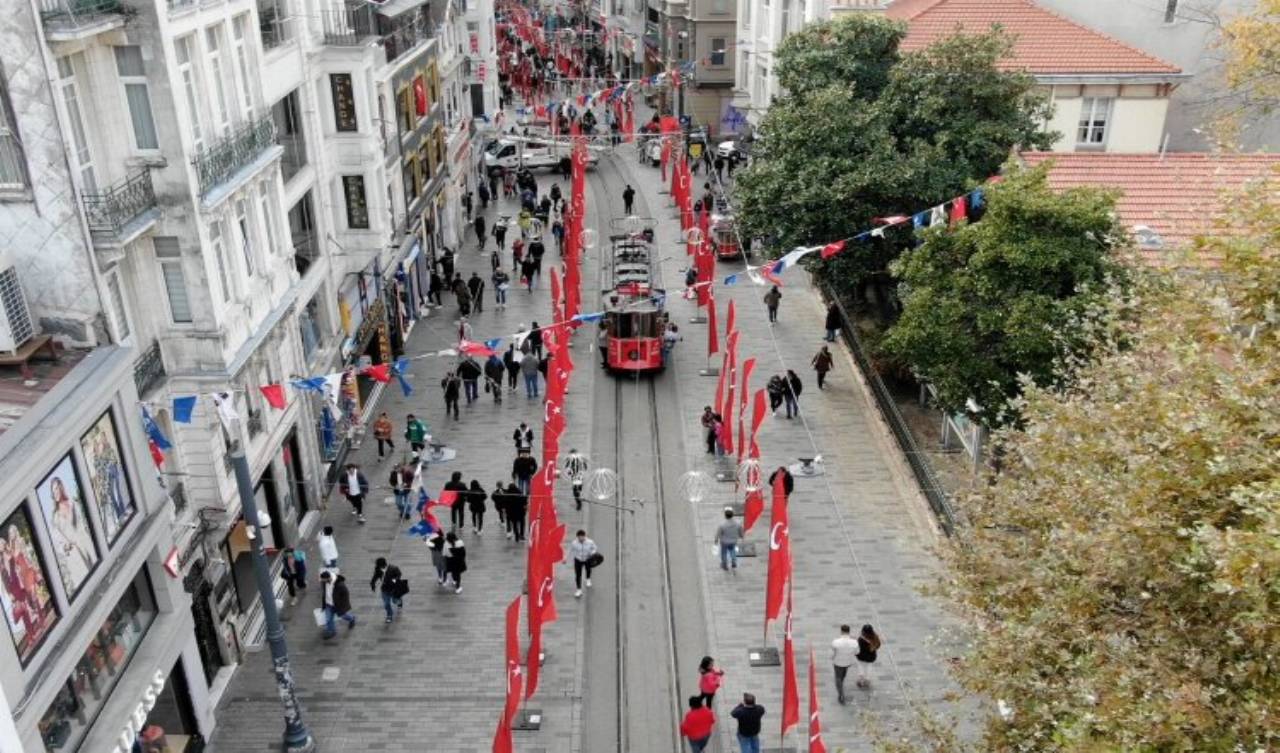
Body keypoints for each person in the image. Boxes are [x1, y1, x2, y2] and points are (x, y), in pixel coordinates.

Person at [319, 571, 356, 638]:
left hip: (338, 605)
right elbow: (324, 593)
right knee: (328, 619)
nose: (322, 581)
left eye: (324, 580)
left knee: (343, 616)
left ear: (328, 578)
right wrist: (323, 605)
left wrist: (343, 605)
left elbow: (346, 595)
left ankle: (352, 619)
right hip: (328, 604)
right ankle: (331, 631)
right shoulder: (324, 582)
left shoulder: (340, 584)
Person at [370, 557, 406, 623]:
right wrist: (372, 584)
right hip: (384, 589)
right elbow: (375, 577)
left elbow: (399, 574)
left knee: (395, 601)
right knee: (386, 604)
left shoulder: (393, 568)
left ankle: (399, 601)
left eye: (380, 566)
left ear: (384, 565)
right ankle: (389, 615)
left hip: (393, 589)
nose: (378, 567)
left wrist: (394, 580)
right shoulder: (378, 570)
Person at [831, 624, 859, 704]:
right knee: (843, 673)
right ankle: (841, 684)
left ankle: (841, 694)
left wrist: (832, 658)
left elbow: (832, 653)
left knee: (838, 677)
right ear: (849, 631)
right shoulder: (854, 642)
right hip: (848, 662)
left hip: (838, 662)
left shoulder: (836, 642)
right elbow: (857, 652)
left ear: (841, 631)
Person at [569, 529, 598, 597]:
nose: (581, 538)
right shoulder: (574, 543)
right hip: (578, 560)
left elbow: (595, 548)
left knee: (588, 569)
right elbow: (571, 551)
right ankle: (579, 590)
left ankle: (588, 579)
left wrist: (592, 553)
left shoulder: (590, 542)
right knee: (578, 575)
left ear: (585, 536)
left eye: (582, 537)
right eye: (579, 537)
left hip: (587, 559)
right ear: (577, 537)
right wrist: (566, 559)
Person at [714, 508, 744, 572]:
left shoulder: (722, 525)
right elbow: (741, 532)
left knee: (724, 553)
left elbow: (718, 533)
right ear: (732, 515)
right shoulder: (737, 524)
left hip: (724, 542)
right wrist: (742, 536)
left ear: (725, 516)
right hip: (733, 541)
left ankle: (725, 565)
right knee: (732, 551)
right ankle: (733, 561)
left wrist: (716, 540)